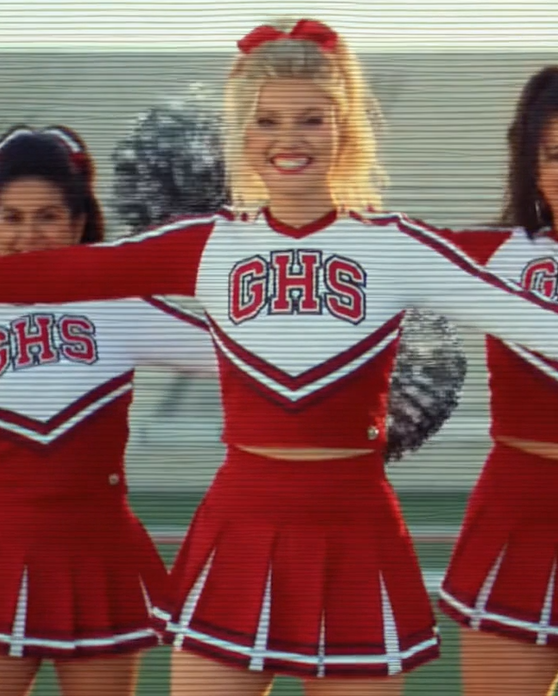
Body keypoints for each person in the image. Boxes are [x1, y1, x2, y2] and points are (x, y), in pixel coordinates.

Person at [0, 18, 558, 696]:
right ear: (242, 134)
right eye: (266, 120)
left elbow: (537, 323)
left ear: (345, 129)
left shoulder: (396, 245)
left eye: (311, 119)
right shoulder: (207, 242)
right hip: (241, 520)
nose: (288, 139)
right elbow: (56, 274)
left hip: (354, 525)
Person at [0, 125, 217, 696]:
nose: (27, 235)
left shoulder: (118, 305)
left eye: (48, 217)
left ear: (78, 223)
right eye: (10, 217)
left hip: (95, 550)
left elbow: (239, 355)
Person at [437, 66, 558, 696]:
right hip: (521, 514)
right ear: (530, 167)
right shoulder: (491, 256)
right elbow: (361, 243)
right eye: (556, 155)